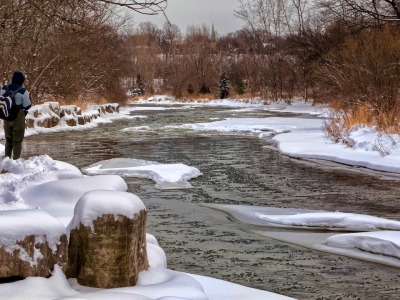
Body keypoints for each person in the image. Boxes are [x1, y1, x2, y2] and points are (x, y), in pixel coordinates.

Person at [1, 71, 31, 160]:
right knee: (17, 141)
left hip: (6, 116)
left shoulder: (4, 88)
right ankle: (16, 161)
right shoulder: (23, 91)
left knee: (8, 140)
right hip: (18, 117)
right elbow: (27, 106)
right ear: (22, 80)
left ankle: (7, 161)